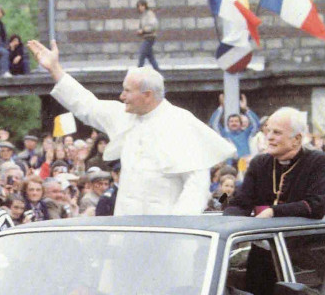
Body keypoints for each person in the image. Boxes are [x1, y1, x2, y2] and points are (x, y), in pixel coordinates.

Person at [27, 39, 235, 215]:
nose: (121, 96)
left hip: (167, 232)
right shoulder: (124, 116)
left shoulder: (181, 123)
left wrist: (178, 228)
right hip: (127, 226)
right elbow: (87, 106)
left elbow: (196, 186)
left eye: (127, 91)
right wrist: (55, 69)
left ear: (147, 95)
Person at [224, 107, 325, 219]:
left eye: (276, 132)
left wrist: (273, 212)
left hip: (303, 234)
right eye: (268, 131)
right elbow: (241, 202)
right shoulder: (259, 163)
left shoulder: (318, 161)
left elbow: (317, 205)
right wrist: (228, 220)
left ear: (296, 139)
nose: (269, 137)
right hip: (264, 234)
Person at [136, 0, 160, 71]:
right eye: (139, 6)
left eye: (142, 6)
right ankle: (159, 72)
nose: (140, 8)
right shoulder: (143, 15)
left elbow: (154, 26)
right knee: (151, 58)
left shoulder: (149, 14)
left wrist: (143, 30)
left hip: (150, 37)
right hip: (146, 37)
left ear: (145, 6)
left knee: (142, 55)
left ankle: (138, 73)